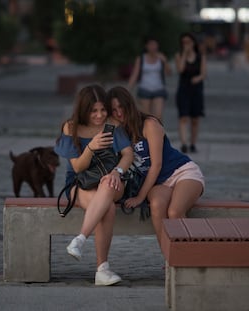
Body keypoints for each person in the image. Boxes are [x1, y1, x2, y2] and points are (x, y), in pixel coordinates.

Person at [106, 86, 204, 256]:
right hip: (159, 182)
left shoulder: (149, 124)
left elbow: (156, 165)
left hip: (182, 172)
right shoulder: (120, 132)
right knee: (157, 205)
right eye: (114, 110)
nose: (119, 113)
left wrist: (140, 197)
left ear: (129, 104)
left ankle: (188, 257)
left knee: (174, 211)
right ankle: (169, 257)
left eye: (121, 107)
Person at [54, 84, 133, 286]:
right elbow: (78, 167)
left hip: (112, 180)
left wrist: (117, 171)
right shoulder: (70, 127)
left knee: (107, 185)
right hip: (80, 184)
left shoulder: (111, 125)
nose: (99, 115)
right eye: (93, 111)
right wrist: (91, 146)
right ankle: (102, 270)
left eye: (103, 110)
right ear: (83, 109)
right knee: (106, 208)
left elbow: (128, 154)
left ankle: (80, 239)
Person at [175, 33, 206, 153]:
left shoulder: (200, 56)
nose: (186, 44)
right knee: (183, 117)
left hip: (196, 90)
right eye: (184, 42)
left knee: (195, 119)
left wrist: (197, 79)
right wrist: (184, 54)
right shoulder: (179, 55)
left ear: (193, 43)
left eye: (188, 42)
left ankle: (193, 143)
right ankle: (184, 143)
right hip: (183, 89)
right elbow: (180, 69)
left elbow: (203, 73)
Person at [128, 37, 171, 121]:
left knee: (158, 116)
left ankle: (159, 133)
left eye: (155, 44)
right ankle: (147, 133)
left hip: (159, 89)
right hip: (145, 88)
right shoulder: (141, 58)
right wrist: (128, 89)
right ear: (146, 46)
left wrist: (165, 61)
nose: (153, 47)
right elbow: (135, 74)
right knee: (146, 116)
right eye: (151, 44)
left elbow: (169, 73)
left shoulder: (161, 57)